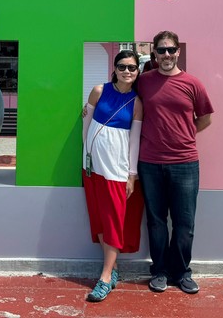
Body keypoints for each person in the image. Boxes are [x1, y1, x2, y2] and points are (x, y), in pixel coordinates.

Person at [136, 31, 214, 295]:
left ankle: (181, 272)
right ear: (154, 53)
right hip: (149, 162)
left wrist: (184, 134)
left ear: (178, 51)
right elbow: (123, 97)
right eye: (161, 50)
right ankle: (159, 271)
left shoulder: (193, 83)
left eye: (171, 50)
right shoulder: (144, 81)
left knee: (184, 223)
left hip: (185, 163)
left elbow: (205, 118)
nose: (166, 55)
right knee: (156, 222)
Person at [81, 50, 144, 302]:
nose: (127, 71)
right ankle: (113, 268)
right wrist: (87, 156)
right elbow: (86, 126)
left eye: (132, 67)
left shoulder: (137, 103)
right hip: (92, 167)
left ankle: (105, 277)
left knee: (113, 220)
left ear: (137, 71)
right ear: (114, 69)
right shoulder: (98, 91)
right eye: (122, 66)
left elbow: (134, 142)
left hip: (117, 170)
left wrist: (131, 175)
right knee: (98, 218)